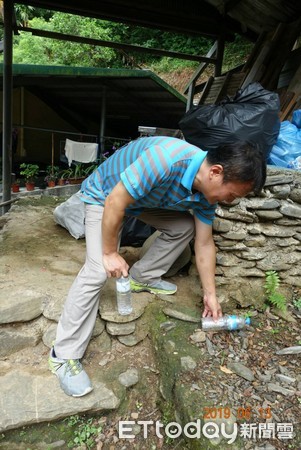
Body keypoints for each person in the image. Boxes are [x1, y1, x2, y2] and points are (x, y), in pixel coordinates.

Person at [49, 136, 266, 397]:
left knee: (183, 227)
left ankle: (143, 276)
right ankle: (63, 355)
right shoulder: (166, 160)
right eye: (232, 194)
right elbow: (115, 202)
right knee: (97, 270)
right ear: (216, 172)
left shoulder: (206, 196)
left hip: (142, 200)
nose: (230, 201)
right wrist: (109, 253)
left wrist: (210, 294)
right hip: (107, 194)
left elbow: (205, 243)